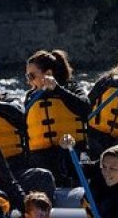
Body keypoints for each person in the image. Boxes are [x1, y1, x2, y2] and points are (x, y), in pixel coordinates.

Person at [24, 49, 90, 185]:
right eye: (27, 77)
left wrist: (57, 89)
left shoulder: (71, 87)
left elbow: (85, 108)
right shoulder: (31, 96)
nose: (29, 81)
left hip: (69, 151)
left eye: (32, 76)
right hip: (41, 156)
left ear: (48, 74)